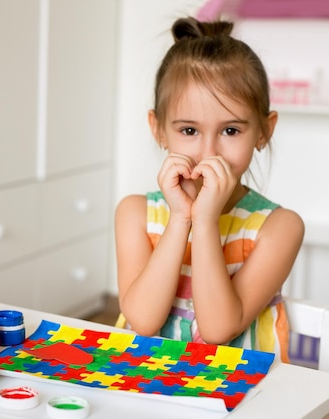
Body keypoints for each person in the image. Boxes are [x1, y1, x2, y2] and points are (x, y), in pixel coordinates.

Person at [114, 17, 304, 363]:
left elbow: (218, 330)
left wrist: (204, 221)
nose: (209, 152)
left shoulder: (279, 227)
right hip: (148, 383)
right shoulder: (134, 214)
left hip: (242, 393)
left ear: (264, 131)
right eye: (189, 130)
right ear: (158, 129)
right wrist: (180, 219)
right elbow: (142, 321)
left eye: (231, 131)